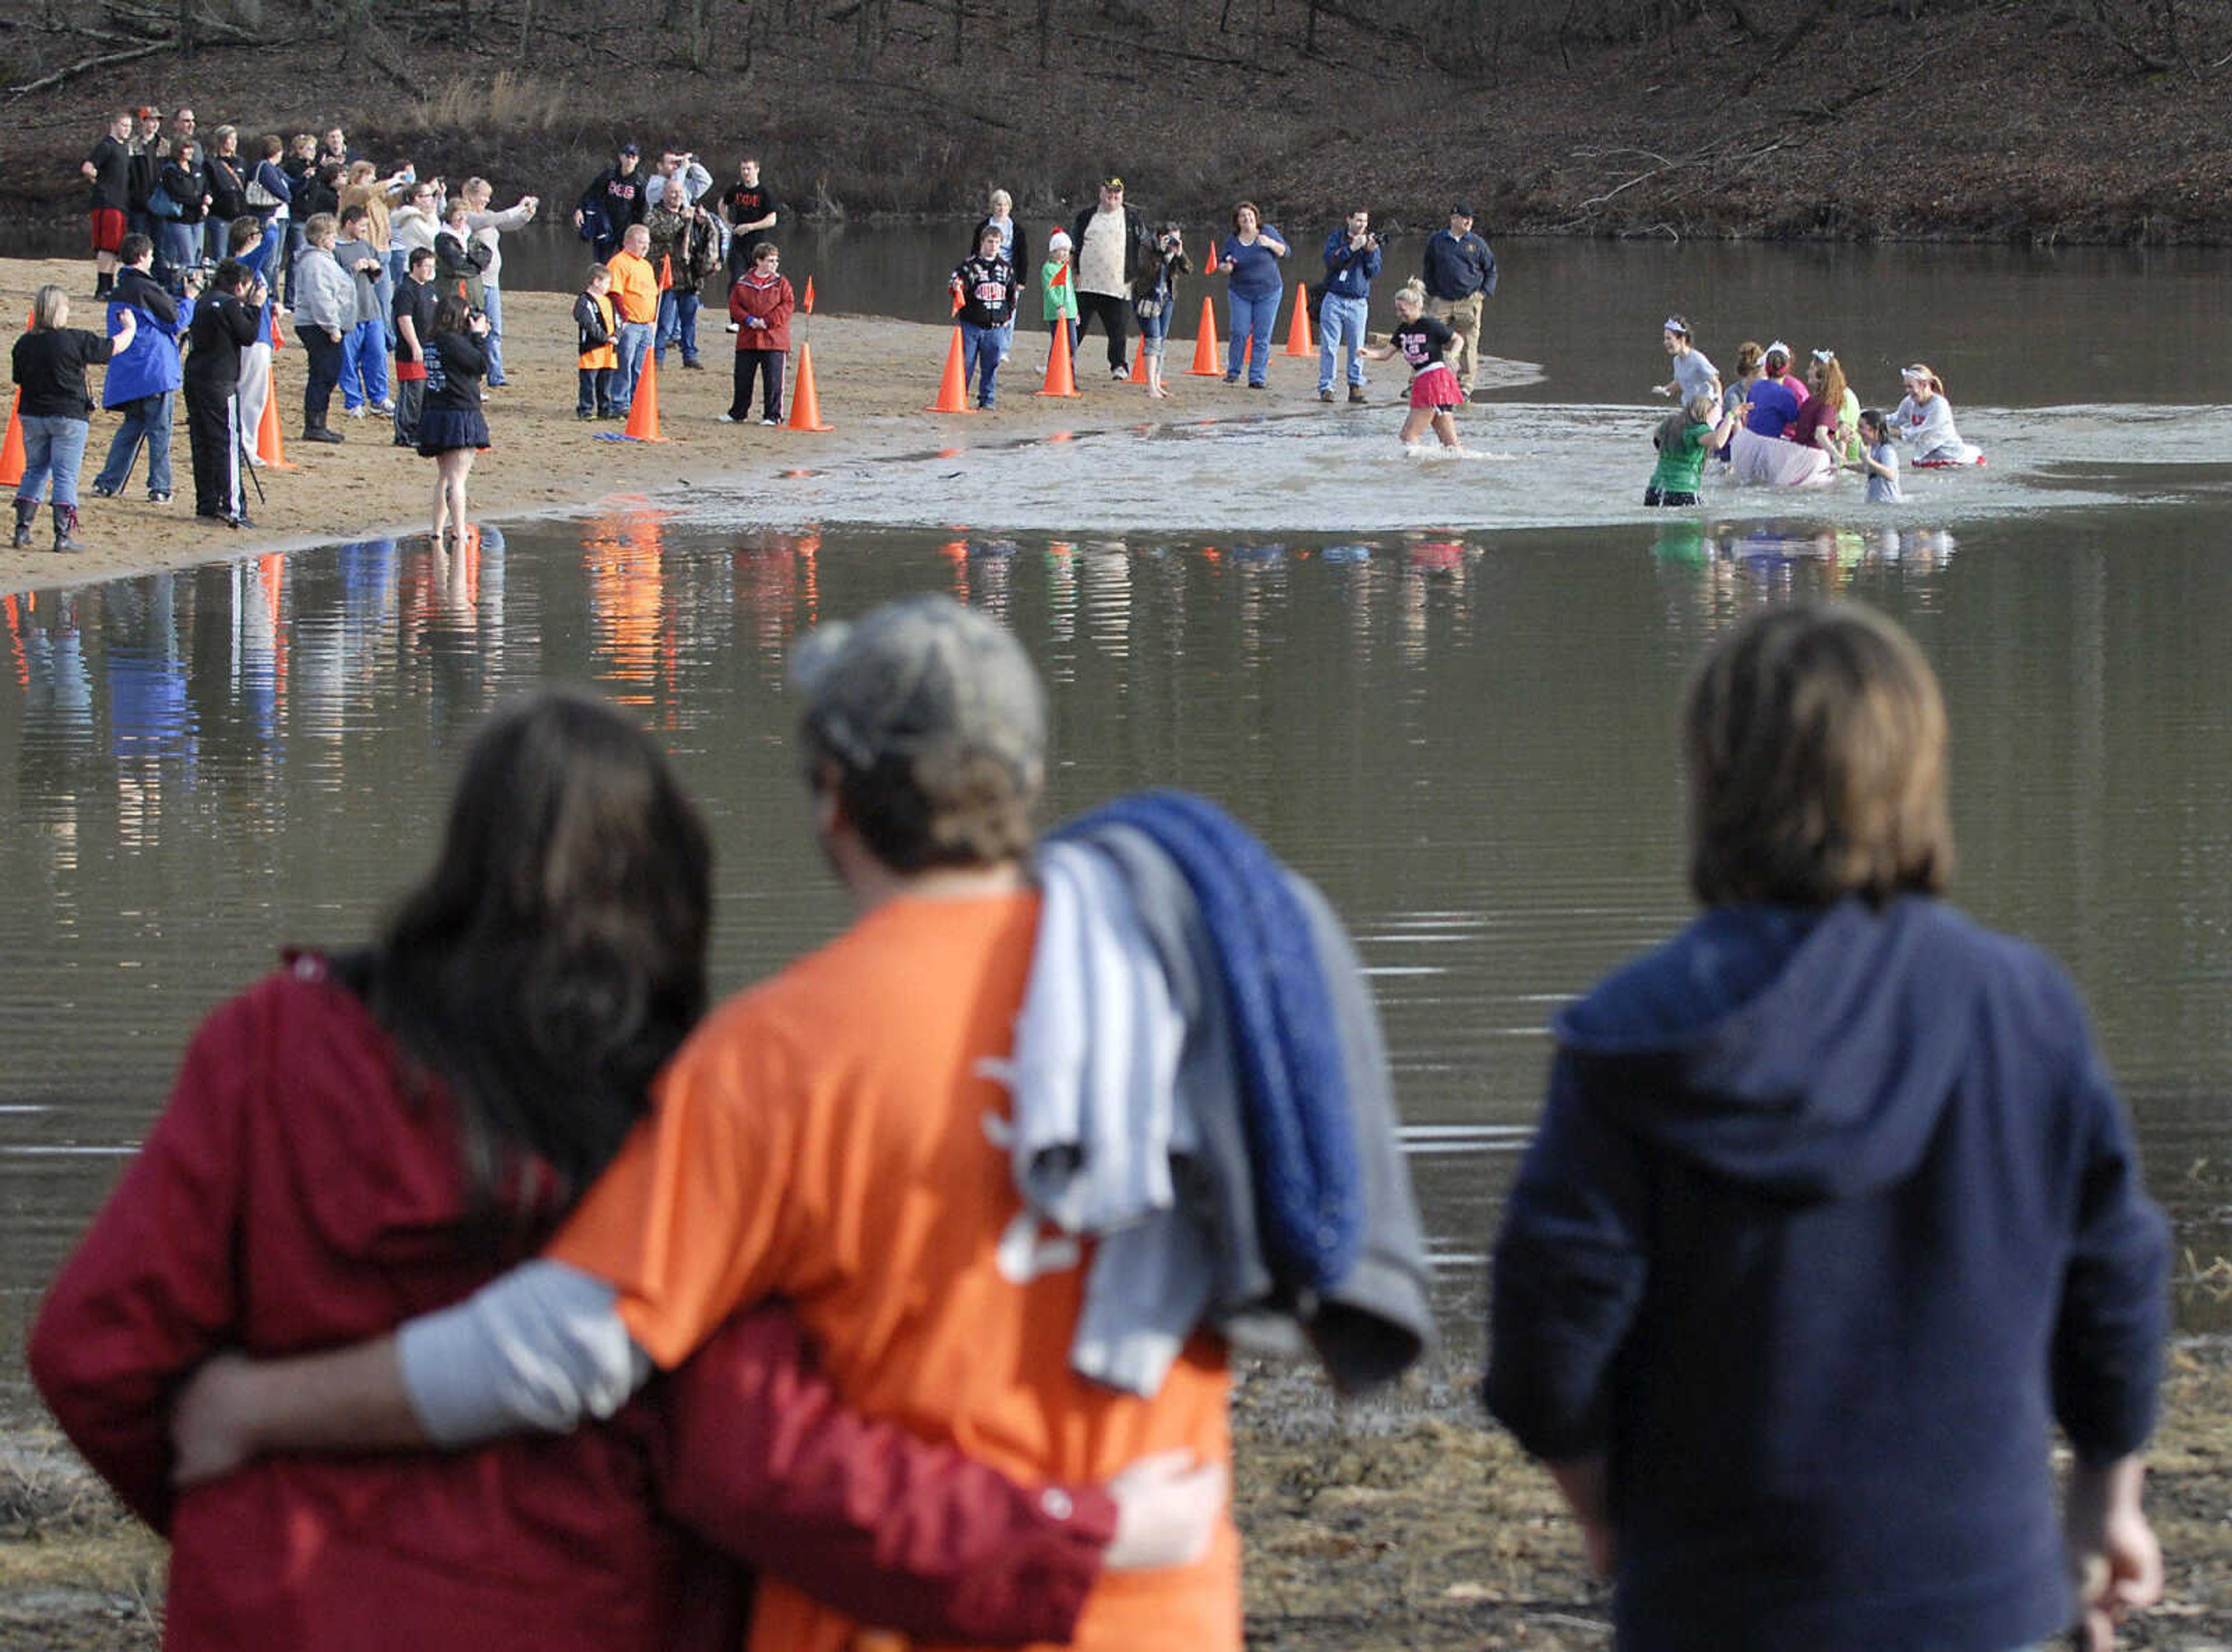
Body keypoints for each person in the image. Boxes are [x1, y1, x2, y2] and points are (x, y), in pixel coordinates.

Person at [162, 594, 1264, 1652]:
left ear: (830, 793)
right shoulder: (1191, 1004)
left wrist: (261, 1407)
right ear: (1026, 784)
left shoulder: (772, 1053)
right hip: (1164, 1606)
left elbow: (567, 1348)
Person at [1484, 599, 2170, 1652]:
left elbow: (1547, 1330)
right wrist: (2103, 1499)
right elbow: (2115, 1281)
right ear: (1918, 776)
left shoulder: (1632, 1032)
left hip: (1714, 1601)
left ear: (1710, 783)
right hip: (1979, 1594)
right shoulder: (2021, 1008)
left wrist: (1604, 1512)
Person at [10, 284, 135, 551]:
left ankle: (22, 531)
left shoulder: (24, 343)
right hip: (68, 416)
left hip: (32, 414)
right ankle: (62, 536)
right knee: (65, 475)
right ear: (60, 310)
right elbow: (113, 348)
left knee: (35, 470)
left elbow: (18, 378)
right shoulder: (75, 339)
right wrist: (130, 328)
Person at [91, 234, 188, 505]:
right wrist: (189, 299)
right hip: (154, 371)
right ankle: (160, 487)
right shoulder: (146, 288)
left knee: (131, 429)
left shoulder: (120, 289)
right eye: (152, 255)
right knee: (159, 432)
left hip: (130, 372)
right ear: (144, 256)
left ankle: (108, 483)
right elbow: (176, 321)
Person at [183, 257, 262, 526]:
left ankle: (206, 502)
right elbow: (248, 335)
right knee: (226, 442)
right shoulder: (228, 304)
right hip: (219, 381)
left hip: (196, 377)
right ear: (240, 285)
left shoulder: (204, 300)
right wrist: (256, 308)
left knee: (202, 441)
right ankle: (233, 506)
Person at [419, 293, 491, 544]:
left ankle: (437, 528)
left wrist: (472, 337)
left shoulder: (432, 341)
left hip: (436, 411)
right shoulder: (452, 342)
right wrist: (479, 336)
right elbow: (481, 364)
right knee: (458, 479)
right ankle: (459, 529)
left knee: (444, 476)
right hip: (459, 412)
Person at [1358, 277, 1463, 451]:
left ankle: (1417, 471)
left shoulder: (1430, 324)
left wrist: (1453, 357)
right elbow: (1385, 355)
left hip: (1435, 380)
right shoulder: (1403, 330)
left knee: (1408, 436)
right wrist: (1367, 354)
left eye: (1403, 310)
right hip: (1423, 380)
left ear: (1416, 306)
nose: (1400, 314)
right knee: (1452, 447)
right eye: (1398, 310)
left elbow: (1458, 339)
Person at [460, 176, 538, 388]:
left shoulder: (489, 215)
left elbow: (509, 223)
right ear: (470, 195)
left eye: (488, 197)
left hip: (493, 282)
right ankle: (471, 373)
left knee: (494, 330)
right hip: (475, 282)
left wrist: (527, 213)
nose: (486, 201)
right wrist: (516, 208)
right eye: (483, 197)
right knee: (473, 328)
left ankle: (496, 374)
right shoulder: (465, 216)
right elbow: (488, 222)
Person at [1069, 176, 1149, 381]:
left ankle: (1119, 366)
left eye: (1117, 193)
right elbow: (1073, 247)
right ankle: (1062, 361)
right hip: (1086, 284)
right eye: (1109, 192)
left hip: (1119, 284)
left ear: (1122, 195)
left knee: (1118, 330)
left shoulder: (1132, 218)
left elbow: (1145, 246)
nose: (1112, 197)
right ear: (1101, 193)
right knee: (1075, 326)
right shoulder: (1086, 216)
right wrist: (1073, 273)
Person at [1419, 202, 1496, 399]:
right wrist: (1432, 291)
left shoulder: (1478, 244)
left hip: (1469, 300)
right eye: (1464, 218)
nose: (1469, 221)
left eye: (1470, 218)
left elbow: (1491, 271)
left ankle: (1465, 386)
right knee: (1428, 339)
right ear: (1453, 219)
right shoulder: (1437, 241)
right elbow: (1428, 268)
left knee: (1469, 344)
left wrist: (1483, 294)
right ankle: (1419, 382)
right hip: (1442, 300)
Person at [291, 212, 353, 444]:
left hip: (321, 324)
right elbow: (321, 297)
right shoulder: (316, 262)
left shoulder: (323, 259)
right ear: (322, 236)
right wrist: (332, 327)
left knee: (327, 373)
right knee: (323, 373)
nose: (335, 238)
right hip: (317, 326)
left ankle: (319, 422)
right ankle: (314, 425)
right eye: (331, 234)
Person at [648, 181, 720, 371]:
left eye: (679, 192)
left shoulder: (692, 215)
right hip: (666, 278)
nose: (676, 196)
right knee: (663, 321)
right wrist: (682, 220)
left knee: (689, 321)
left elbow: (707, 239)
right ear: (664, 194)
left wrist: (703, 223)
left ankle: (690, 356)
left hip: (689, 278)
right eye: (672, 192)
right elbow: (661, 233)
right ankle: (658, 358)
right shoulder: (654, 214)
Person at [947, 225, 1020, 411]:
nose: (993, 246)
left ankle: (987, 400)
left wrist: (1007, 316)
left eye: (997, 242)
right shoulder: (969, 266)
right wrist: (957, 286)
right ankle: (959, 396)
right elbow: (955, 284)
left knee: (992, 365)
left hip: (996, 326)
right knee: (966, 363)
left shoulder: (1006, 269)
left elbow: (1012, 295)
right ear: (982, 243)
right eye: (990, 242)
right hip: (972, 325)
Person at [1218, 203, 1289, 389]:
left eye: (1250, 216)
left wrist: (1271, 244)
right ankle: (1233, 372)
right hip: (1240, 292)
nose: (1247, 219)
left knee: (1262, 335)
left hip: (1269, 292)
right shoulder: (1232, 240)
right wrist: (1226, 268)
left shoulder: (1267, 232)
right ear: (1238, 221)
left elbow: (1285, 252)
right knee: (1239, 332)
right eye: (1243, 216)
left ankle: (1257, 377)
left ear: (1256, 218)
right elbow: (1222, 262)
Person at [223, 216, 276, 464]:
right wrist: (272, 224)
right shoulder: (244, 263)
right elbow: (272, 241)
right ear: (251, 238)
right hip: (254, 339)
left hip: (259, 335)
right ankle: (246, 447)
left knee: (252, 394)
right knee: (252, 395)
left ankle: (244, 445)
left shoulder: (246, 266)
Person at [723, 241, 793, 427]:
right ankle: (738, 412)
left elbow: (787, 306)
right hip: (748, 338)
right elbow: (734, 306)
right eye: (770, 261)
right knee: (743, 378)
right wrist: (748, 320)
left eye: (776, 261)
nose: (774, 265)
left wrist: (767, 321)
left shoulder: (781, 283)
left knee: (773, 381)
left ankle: (772, 415)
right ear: (759, 261)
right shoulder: (743, 282)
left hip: (774, 340)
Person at [331, 204, 392, 420]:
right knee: (348, 360)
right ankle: (354, 402)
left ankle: (379, 398)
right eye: (362, 226)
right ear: (349, 224)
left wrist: (375, 269)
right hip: (349, 315)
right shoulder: (335, 249)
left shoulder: (366, 246)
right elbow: (333, 281)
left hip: (371, 311)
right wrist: (352, 270)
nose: (365, 230)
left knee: (377, 355)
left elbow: (377, 279)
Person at [1318, 209, 1380, 404]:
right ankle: (1327, 387)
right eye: (1359, 220)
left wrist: (1369, 252)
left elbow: (1375, 271)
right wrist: (1352, 248)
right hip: (1334, 297)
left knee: (1357, 346)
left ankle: (1355, 385)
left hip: (1358, 301)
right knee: (1329, 345)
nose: (1362, 224)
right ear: (1349, 219)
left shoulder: (1371, 242)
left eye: (1365, 221)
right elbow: (1330, 261)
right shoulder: (1337, 238)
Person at [1643, 392, 1736, 507]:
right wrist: (1730, 417)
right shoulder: (1699, 429)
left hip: (1655, 490)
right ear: (1705, 413)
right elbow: (1718, 442)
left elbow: (1656, 436)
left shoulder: (1669, 422)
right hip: (1683, 491)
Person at [606, 223, 660, 418]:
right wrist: (625, 317)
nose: (645, 248)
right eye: (640, 243)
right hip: (630, 325)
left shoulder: (646, 265)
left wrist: (653, 319)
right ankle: (620, 403)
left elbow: (652, 294)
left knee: (641, 366)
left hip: (647, 325)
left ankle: (638, 402)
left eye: (647, 243)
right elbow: (615, 292)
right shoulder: (619, 262)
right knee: (624, 365)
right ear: (628, 242)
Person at [1131, 223, 1189, 401]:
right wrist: (1161, 253)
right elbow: (1144, 272)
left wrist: (1179, 254)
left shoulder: (1175, 250)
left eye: (1177, 239)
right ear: (1161, 236)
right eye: (1170, 238)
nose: (1173, 242)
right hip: (1147, 298)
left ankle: (1157, 382)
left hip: (1167, 299)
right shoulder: (1147, 247)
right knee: (1153, 340)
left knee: (1161, 342)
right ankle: (1150, 387)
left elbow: (1188, 269)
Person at [720, 157, 781, 326]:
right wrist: (727, 222)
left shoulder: (764, 193)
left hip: (759, 246)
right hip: (738, 244)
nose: (746, 172)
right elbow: (723, 203)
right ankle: (735, 320)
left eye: (749, 169)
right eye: (743, 169)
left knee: (759, 280)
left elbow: (772, 220)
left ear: (757, 170)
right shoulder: (737, 189)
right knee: (737, 280)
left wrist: (750, 227)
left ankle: (759, 317)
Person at [970, 186, 1026, 365]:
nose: (1001, 208)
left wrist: (1021, 280)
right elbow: (974, 252)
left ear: (1009, 207)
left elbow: (1023, 256)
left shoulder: (1017, 230)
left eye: (1004, 205)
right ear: (992, 207)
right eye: (998, 205)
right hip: (986, 275)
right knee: (987, 311)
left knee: (1009, 314)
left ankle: (1004, 349)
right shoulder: (983, 227)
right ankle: (985, 346)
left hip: (1009, 276)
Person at [83, 110, 134, 298]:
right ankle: (103, 288)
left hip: (120, 203)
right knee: (107, 247)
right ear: (114, 125)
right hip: (107, 203)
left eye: (130, 127)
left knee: (114, 247)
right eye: (124, 126)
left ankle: (109, 287)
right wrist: (99, 183)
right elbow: (88, 167)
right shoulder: (106, 146)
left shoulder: (124, 148)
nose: (127, 130)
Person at [1893, 363, 1986, 467]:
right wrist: (1876, 423)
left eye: (1911, 387)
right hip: (1927, 458)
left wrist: (1893, 432)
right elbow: (1895, 420)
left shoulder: (1939, 405)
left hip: (1952, 459)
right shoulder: (1909, 402)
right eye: (1906, 387)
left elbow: (1920, 434)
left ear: (1924, 385)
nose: (1907, 391)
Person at [392, 244, 439, 446]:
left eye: (433, 266)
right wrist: (415, 346)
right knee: (411, 393)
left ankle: (420, 432)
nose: (430, 271)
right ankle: (405, 434)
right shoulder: (406, 290)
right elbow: (405, 319)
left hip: (430, 348)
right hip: (410, 351)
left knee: (425, 394)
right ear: (415, 266)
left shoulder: (429, 288)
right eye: (426, 266)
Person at [575, 142, 648, 262]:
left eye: (633, 157)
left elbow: (642, 209)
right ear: (621, 157)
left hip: (626, 228)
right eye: (627, 156)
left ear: (637, 160)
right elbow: (591, 193)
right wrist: (579, 209)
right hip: (605, 226)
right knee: (602, 262)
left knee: (628, 262)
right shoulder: (610, 175)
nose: (629, 160)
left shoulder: (639, 182)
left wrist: (639, 230)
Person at [155, 138, 211, 295]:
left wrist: (207, 197)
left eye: (191, 148)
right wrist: (200, 203)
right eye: (187, 148)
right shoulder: (170, 171)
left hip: (198, 219)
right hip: (180, 220)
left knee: (197, 254)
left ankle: (194, 288)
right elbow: (179, 194)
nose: (190, 152)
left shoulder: (196, 168)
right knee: (188, 257)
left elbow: (205, 186)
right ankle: (184, 290)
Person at [1789, 348, 1854, 463]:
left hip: (1805, 459)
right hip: (1806, 458)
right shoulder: (1821, 401)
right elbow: (1817, 433)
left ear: (1821, 375)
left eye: (1811, 369)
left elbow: (1820, 435)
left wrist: (1837, 456)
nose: (1807, 372)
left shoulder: (1821, 403)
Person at [576, 262, 619, 421]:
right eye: (607, 282)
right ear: (596, 281)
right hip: (592, 350)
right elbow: (588, 323)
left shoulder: (609, 302)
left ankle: (605, 410)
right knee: (588, 382)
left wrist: (616, 337)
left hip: (609, 352)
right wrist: (605, 338)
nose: (609, 286)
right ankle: (586, 410)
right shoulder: (585, 301)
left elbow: (617, 321)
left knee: (605, 383)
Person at [201, 127, 248, 263]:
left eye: (235, 139)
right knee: (220, 256)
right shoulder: (211, 164)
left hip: (239, 216)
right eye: (230, 139)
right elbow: (209, 187)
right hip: (220, 216)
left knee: (238, 255)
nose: (234, 142)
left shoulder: (241, 162)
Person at [1652, 317, 1719, 406]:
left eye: (1669, 339)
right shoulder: (1676, 360)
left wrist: (1718, 401)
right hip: (1688, 409)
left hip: (1704, 410)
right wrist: (1665, 389)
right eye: (1665, 339)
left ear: (1682, 339)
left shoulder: (1697, 359)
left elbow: (1716, 382)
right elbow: (1680, 382)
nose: (1665, 342)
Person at [1844, 407, 1904, 502]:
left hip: (1889, 504)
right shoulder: (1873, 448)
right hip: (1875, 504)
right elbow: (1866, 468)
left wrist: (1869, 460)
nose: (1857, 431)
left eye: (1861, 427)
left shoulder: (1886, 450)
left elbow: (1891, 474)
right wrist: (1844, 465)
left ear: (1875, 429)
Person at [1040, 230, 1079, 356]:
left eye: (1067, 250)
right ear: (1054, 250)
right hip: (1056, 312)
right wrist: (1059, 305)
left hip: (1070, 312)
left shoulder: (1066, 268)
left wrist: (1076, 311)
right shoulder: (1048, 269)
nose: (1065, 254)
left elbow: (1071, 291)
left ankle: (1070, 373)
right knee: (1059, 343)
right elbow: (1050, 291)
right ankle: (1053, 368)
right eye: (1061, 250)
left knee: (1073, 345)